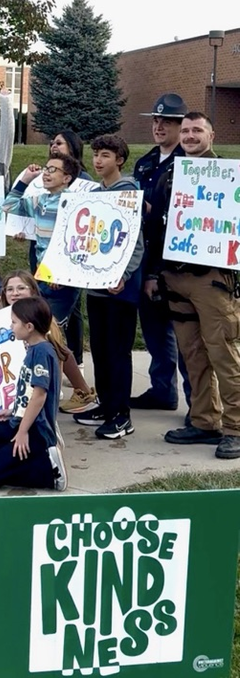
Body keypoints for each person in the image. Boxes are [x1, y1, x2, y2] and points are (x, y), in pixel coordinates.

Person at [145, 112, 240, 460]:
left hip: (212, 278)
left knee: (223, 354)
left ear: (211, 135)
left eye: (197, 130)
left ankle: (235, 427)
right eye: (184, 130)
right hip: (174, 275)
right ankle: (204, 421)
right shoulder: (169, 172)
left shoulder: (229, 175)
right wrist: (154, 274)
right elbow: (156, 226)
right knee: (193, 355)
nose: (189, 135)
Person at [73, 135, 144, 439]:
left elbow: (136, 244)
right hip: (97, 288)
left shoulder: (127, 193)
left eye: (105, 155)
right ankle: (105, 404)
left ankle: (121, 416)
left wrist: (123, 275)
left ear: (119, 160)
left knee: (118, 352)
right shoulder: (93, 193)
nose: (98, 161)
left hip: (120, 289)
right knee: (99, 351)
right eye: (96, 155)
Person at [0, 296, 66, 491]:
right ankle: (10, 458)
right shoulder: (33, 348)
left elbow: (39, 396)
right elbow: (28, 390)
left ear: (29, 326)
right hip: (18, 421)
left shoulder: (42, 352)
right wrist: (13, 410)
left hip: (35, 431)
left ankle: (48, 472)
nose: (11, 326)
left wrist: (23, 432)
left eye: (14, 322)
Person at [131, 92, 189, 412]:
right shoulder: (146, 163)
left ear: (181, 125)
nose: (159, 126)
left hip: (176, 263)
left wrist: (155, 271)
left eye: (166, 121)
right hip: (147, 256)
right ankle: (162, 390)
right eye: (156, 120)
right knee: (154, 331)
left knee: (185, 338)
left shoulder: (190, 164)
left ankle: (200, 408)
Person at [2, 152, 82, 331]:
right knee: (40, 329)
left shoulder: (75, 203)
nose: (46, 173)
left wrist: (59, 271)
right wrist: (25, 180)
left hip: (62, 279)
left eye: (53, 170)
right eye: (46, 168)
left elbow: (76, 242)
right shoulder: (40, 201)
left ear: (66, 178)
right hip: (41, 275)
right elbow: (7, 206)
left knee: (53, 331)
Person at [0, 270, 97, 414]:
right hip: (14, 382)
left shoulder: (45, 320)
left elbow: (60, 355)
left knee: (58, 348)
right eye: (10, 289)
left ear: (33, 291)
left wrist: (53, 396)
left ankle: (83, 392)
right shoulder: (2, 314)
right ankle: (83, 391)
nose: (15, 293)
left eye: (21, 288)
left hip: (38, 381)